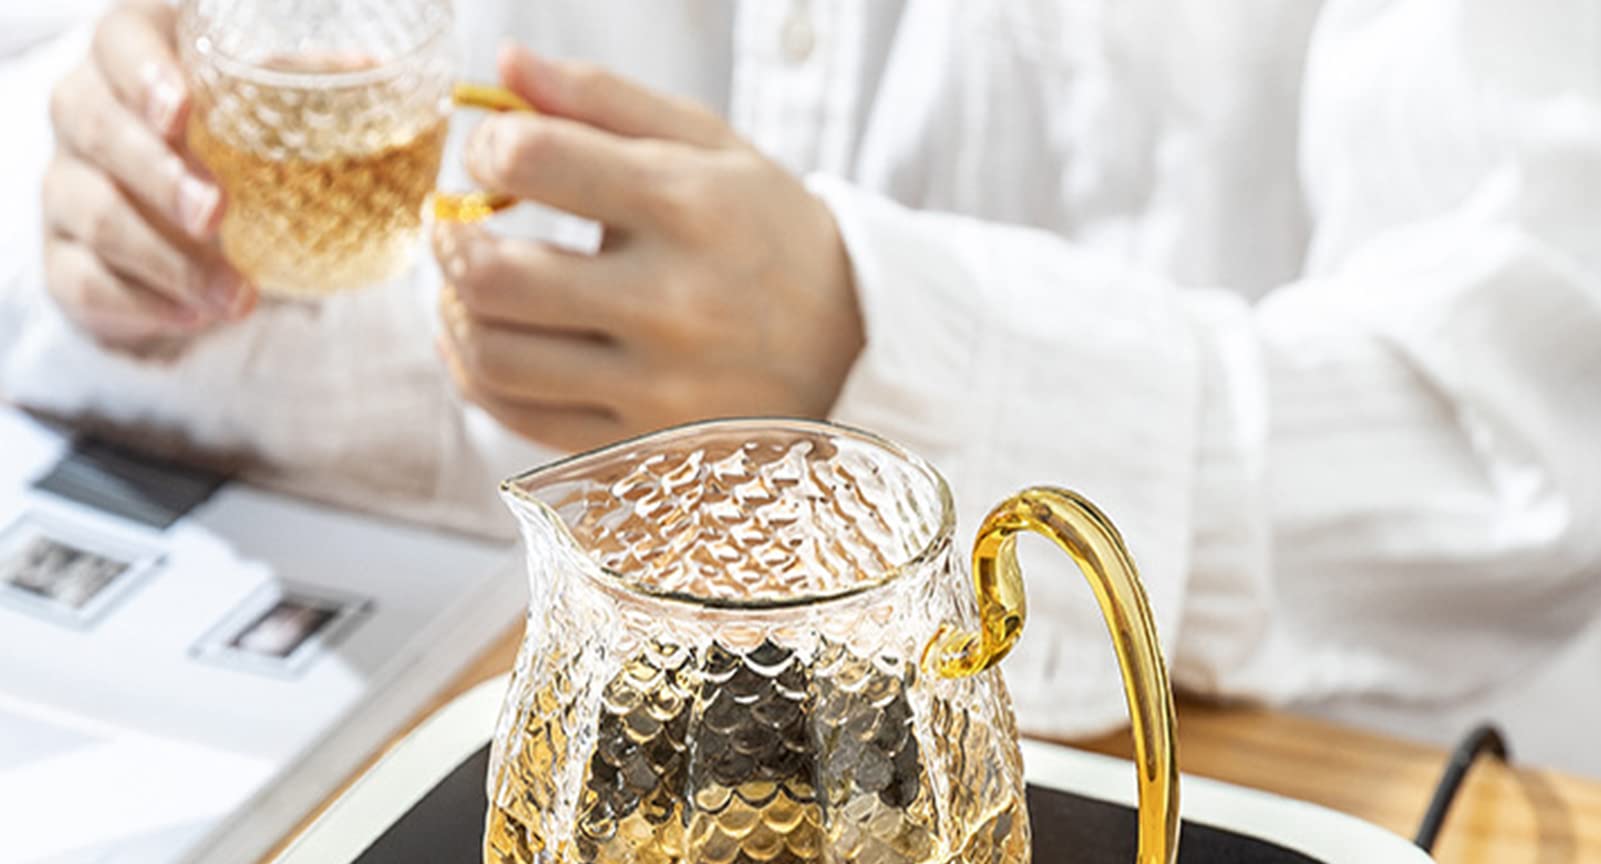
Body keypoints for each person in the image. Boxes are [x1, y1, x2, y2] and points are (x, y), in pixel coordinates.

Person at [4, 1, 1600, 763]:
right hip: (441, 750)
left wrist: (868, 353)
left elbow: (1509, 435)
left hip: (1169, 798)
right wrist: (98, 206)